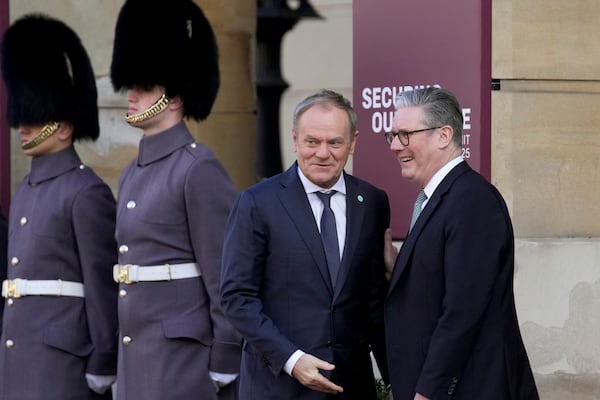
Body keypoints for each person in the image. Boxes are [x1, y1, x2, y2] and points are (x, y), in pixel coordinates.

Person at [220, 89, 390, 400]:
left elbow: (374, 302)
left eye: (334, 142)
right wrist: (292, 360)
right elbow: (237, 297)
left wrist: (397, 379)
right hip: (278, 387)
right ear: (295, 139)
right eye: (312, 142)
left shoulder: (372, 203)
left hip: (351, 388)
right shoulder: (257, 203)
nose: (322, 153)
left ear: (353, 142)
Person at [109, 0, 241, 399]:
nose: (131, 95)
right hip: (138, 358)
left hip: (183, 360)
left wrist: (225, 359)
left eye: (144, 87)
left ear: (175, 96)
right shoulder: (133, 172)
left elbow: (225, 277)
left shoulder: (198, 168)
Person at [384, 87, 539, 400]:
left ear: (443, 136)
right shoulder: (440, 199)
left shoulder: (472, 201)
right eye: (393, 135)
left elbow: (463, 311)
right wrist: (396, 267)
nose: (396, 145)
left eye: (405, 134)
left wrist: (428, 391)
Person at [0, 14, 119, 399]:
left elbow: (101, 284)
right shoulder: (27, 189)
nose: (24, 127)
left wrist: (104, 358)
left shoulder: (86, 192)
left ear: (64, 128)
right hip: (22, 351)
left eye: (35, 119)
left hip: (63, 359)